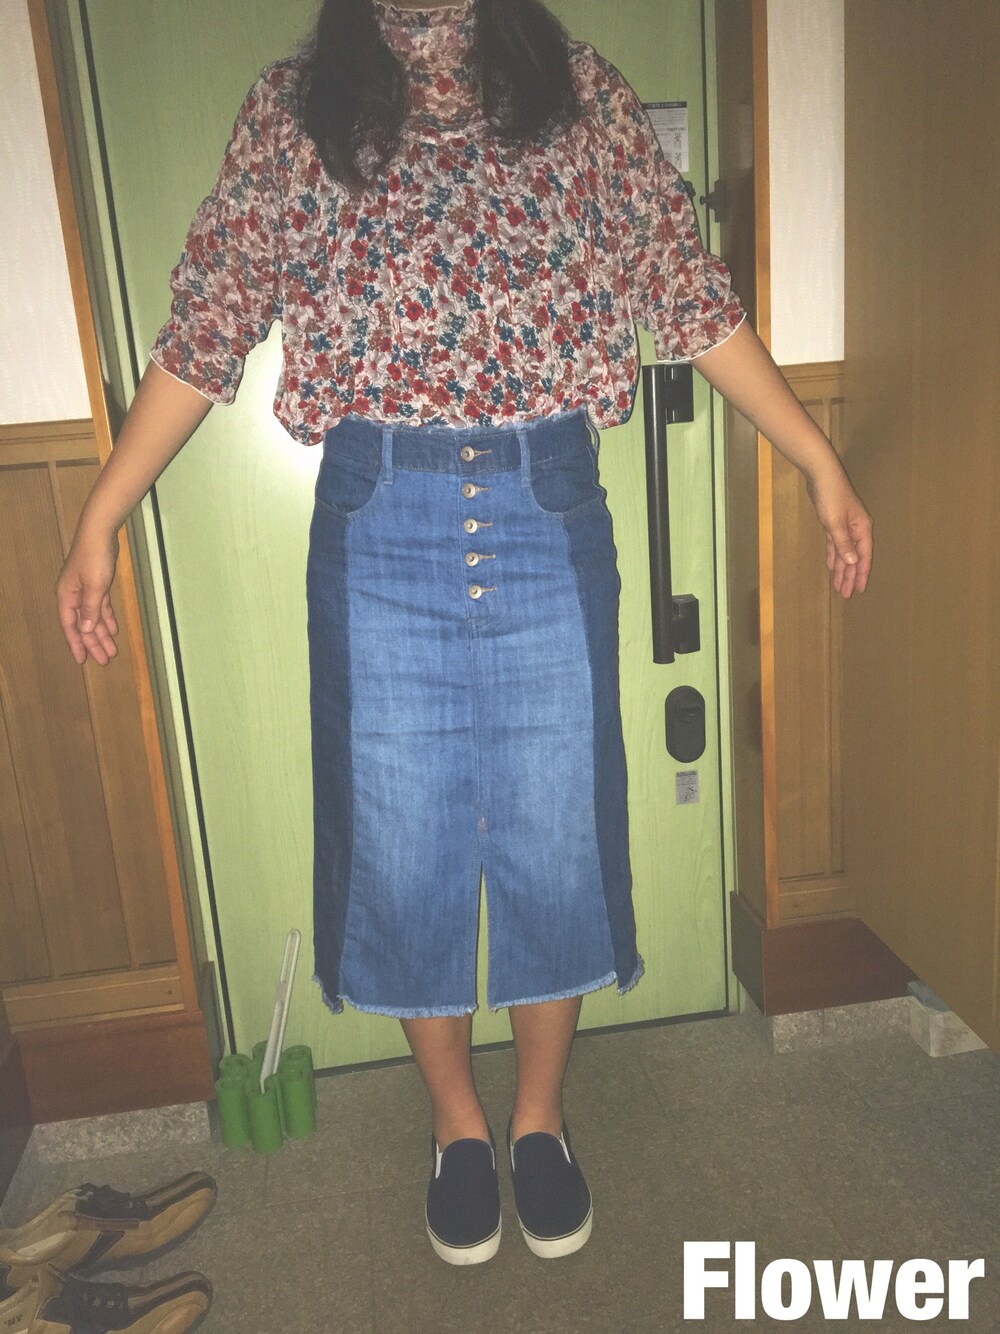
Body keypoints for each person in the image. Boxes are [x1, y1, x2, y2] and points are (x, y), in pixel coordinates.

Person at [55, 0, 873, 1268]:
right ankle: (455, 1125)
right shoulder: (299, 107)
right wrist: (99, 513)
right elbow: (208, 324)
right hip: (378, 515)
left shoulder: (576, 92)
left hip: (548, 502)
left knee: (554, 832)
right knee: (401, 850)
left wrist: (815, 458)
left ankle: (537, 1119)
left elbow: (686, 293)